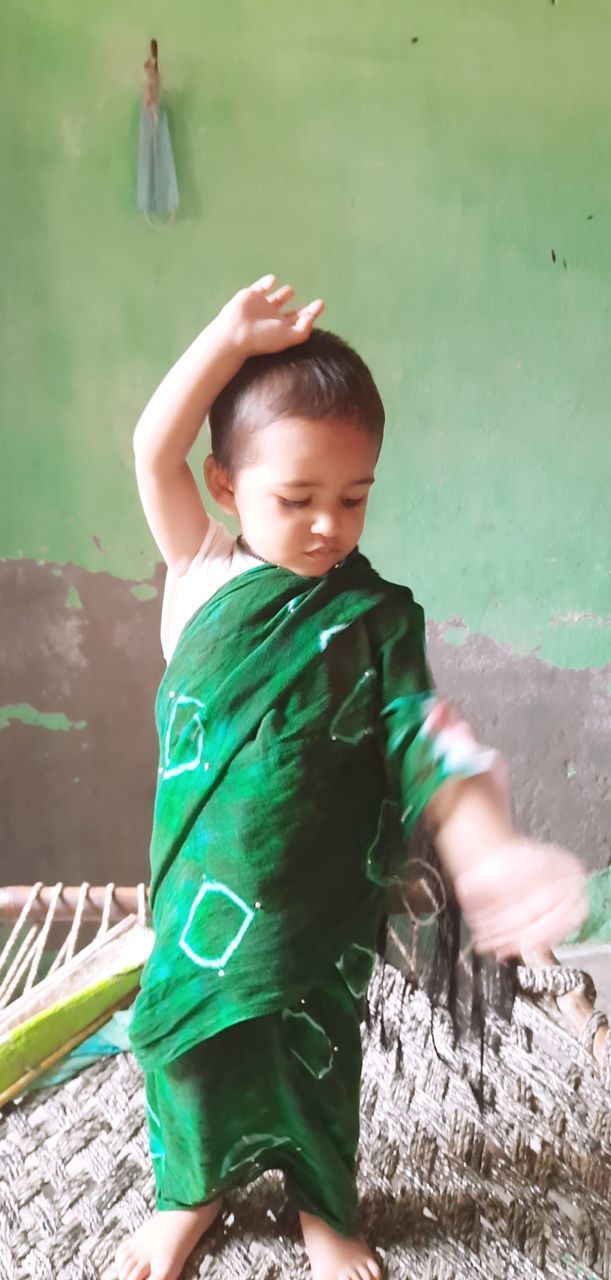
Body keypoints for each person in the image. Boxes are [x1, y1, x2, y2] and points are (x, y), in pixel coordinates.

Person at [115, 276, 586, 1280]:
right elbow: (150, 446)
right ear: (225, 487)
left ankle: (324, 1205)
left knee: (316, 1066)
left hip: (318, 908)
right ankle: (187, 1195)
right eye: (296, 499)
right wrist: (222, 338)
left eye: (353, 496)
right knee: (187, 1057)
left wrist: (488, 850)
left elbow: (429, 745)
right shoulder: (202, 572)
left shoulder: (374, 622)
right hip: (200, 897)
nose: (329, 524)